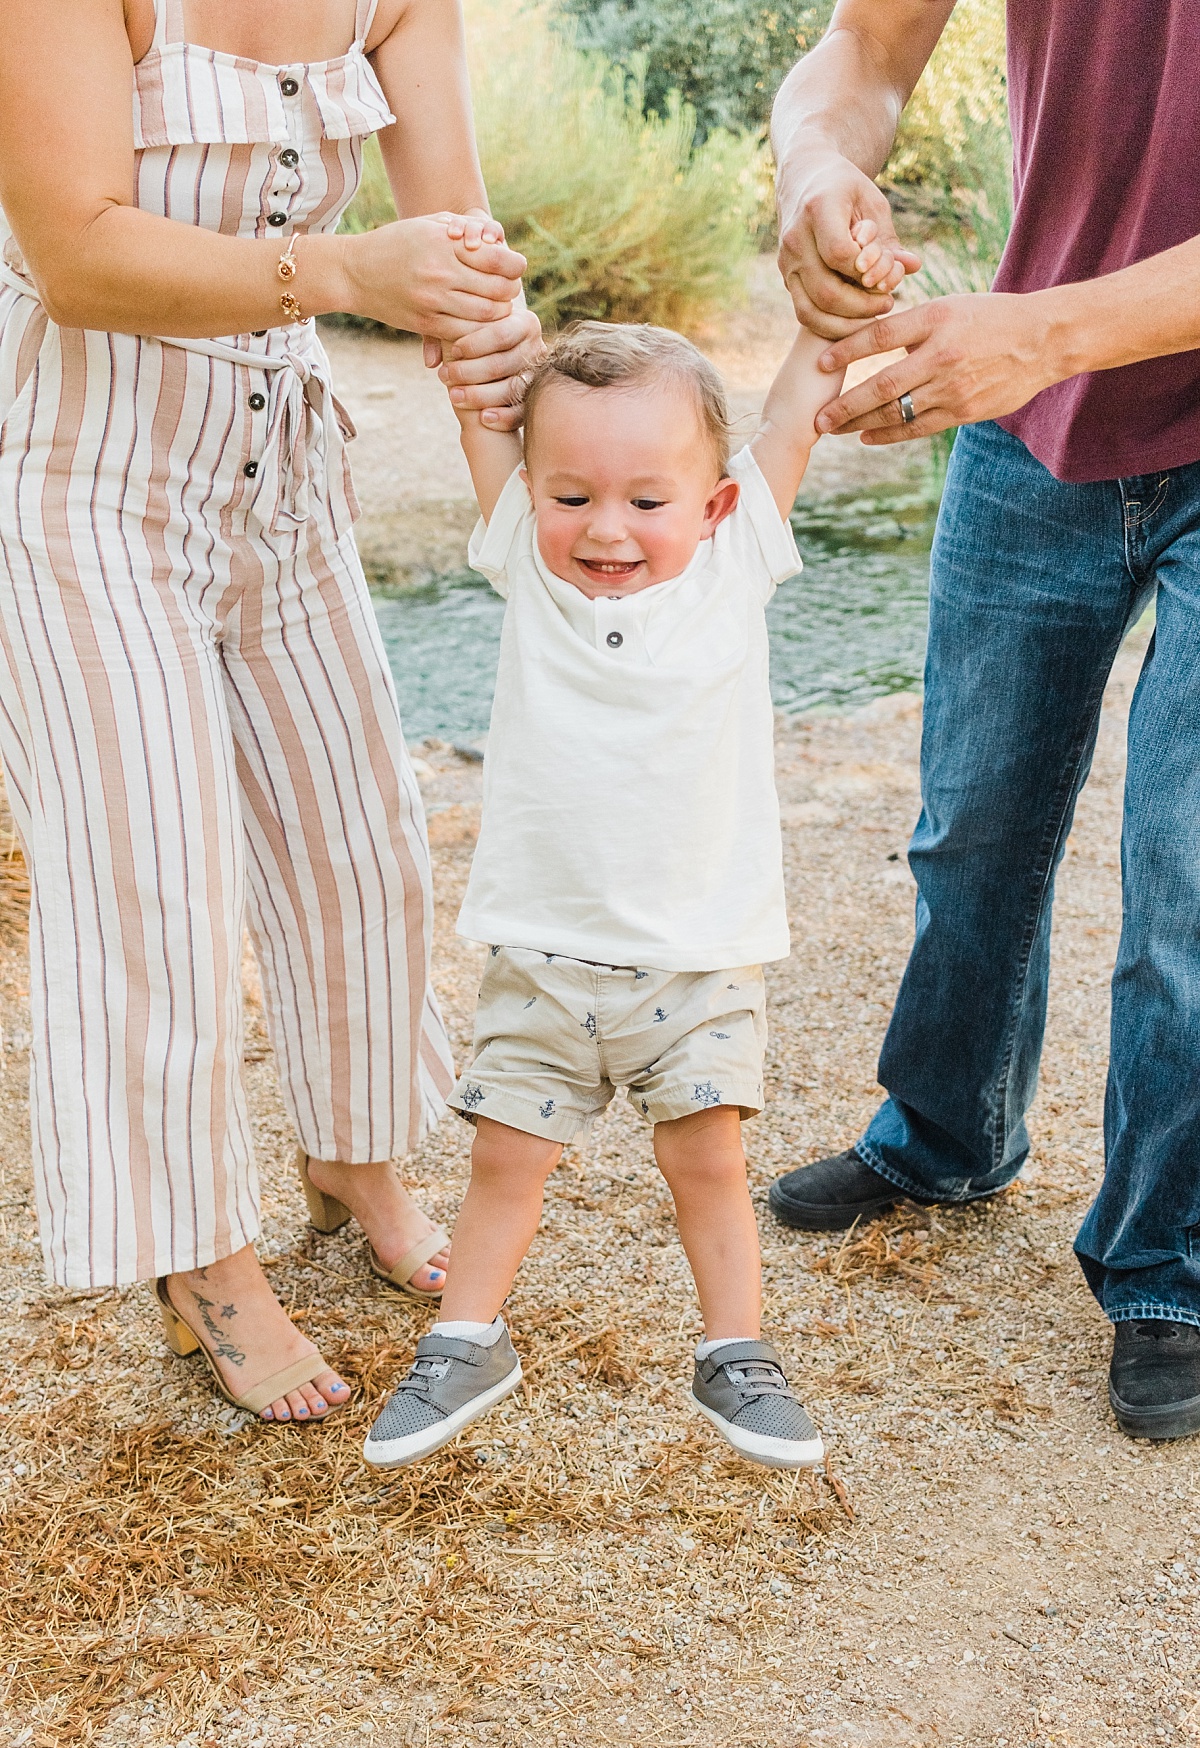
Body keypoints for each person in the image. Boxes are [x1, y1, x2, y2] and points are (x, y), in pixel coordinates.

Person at [0, 0, 540, 1423]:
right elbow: (75, 254)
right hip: (76, 476)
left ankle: (356, 1154)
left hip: (279, 471)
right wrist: (353, 269)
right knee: (151, 887)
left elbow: (469, 278)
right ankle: (201, 1256)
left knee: (361, 839)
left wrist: (536, 561)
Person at [766, 0, 1200, 1440]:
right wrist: (816, 173)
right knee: (974, 824)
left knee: (1187, 887)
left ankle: (1168, 1267)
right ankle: (946, 1138)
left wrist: (1050, 327)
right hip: (1036, 416)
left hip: (1045, 347)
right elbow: (864, 55)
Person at [361, 301, 842, 1472]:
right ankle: (466, 1336)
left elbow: (790, 413)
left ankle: (737, 1350)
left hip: (698, 953)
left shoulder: (736, 567)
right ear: (535, 499)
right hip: (543, 947)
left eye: (646, 500)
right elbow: (486, 418)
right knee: (505, 1157)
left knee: (707, 1158)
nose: (605, 529)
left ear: (715, 504)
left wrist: (833, 323)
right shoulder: (528, 561)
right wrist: (456, 333)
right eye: (571, 497)